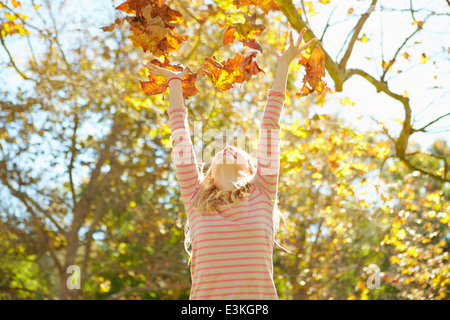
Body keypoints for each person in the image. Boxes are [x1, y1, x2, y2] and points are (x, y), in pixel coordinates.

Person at [146, 28, 317, 300]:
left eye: (239, 151)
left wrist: (284, 64)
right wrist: (176, 84)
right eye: (219, 152)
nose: (227, 148)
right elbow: (180, 142)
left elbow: (270, 125)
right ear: (208, 174)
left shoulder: (262, 191)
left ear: (253, 170)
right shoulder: (195, 197)